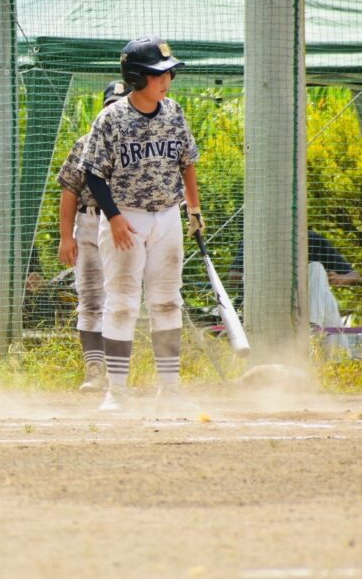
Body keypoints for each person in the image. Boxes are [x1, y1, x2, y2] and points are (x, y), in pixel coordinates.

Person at [80, 37, 202, 412]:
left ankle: (170, 388)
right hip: (126, 218)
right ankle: (115, 392)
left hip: (167, 216)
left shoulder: (174, 112)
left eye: (168, 73)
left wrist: (193, 209)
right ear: (135, 77)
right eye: (157, 74)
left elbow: (187, 161)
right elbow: (93, 173)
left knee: (167, 300)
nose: (166, 80)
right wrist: (113, 217)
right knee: (121, 304)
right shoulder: (111, 118)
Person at [56, 81, 131, 393]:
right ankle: (94, 370)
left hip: (126, 226)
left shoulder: (137, 144)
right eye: (110, 104)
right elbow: (69, 191)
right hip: (89, 223)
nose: (114, 109)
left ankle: (118, 377)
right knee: (90, 299)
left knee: (122, 300)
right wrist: (65, 237)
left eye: (121, 104)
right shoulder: (86, 142)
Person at [229, 230, 359, 348]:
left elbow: (355, 276)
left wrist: (340, 279)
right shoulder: (254, 238)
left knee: (317, 269)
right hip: (266, 301)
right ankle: (336, 358)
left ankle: (312, 327)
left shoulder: (312, 239)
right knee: (329, 303)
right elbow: (233, 278)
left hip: (302, 305)